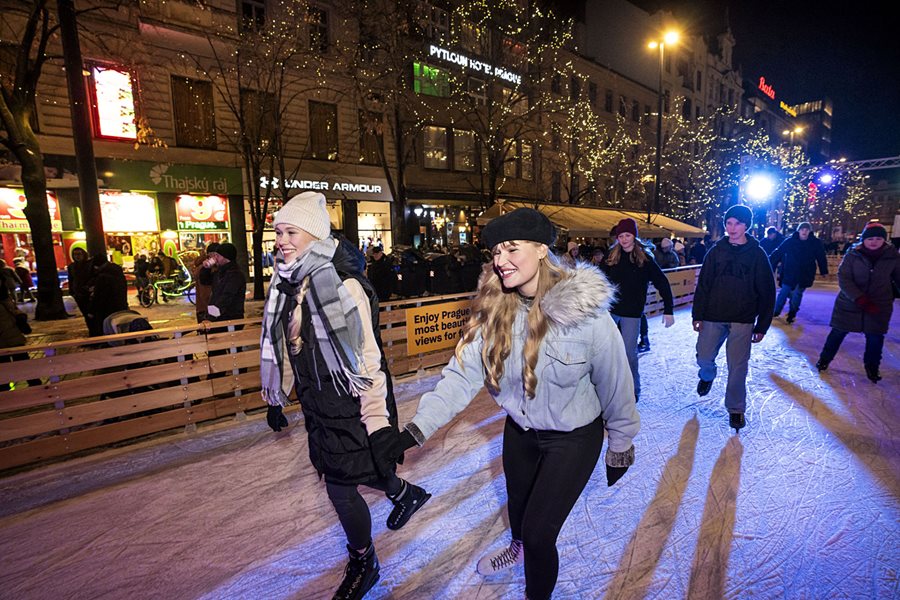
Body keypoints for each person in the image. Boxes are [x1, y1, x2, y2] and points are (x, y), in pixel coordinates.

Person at [397, 207, 639, 600]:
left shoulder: (585, 313)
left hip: (573, 438)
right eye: (496, 252)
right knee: (521, 511)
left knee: (541, 533)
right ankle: (518, 546)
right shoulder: (497, 310)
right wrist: (415, 429)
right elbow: (460, 376)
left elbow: (616, 382)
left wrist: (621, 445)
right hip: (521, 432)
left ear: (543, 249)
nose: (500, 260)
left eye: (512, 249)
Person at [259, 191, 430, 600]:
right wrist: (277, 396)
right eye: (278, 231)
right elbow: (284, 346)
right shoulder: (286, 283)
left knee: (340, 483)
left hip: (350, 402)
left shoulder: (344, 286)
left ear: (314, 236)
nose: (281, 240)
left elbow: (368, 361)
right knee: (353, 466)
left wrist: (377, 422)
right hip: (318, 401)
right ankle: (405, 493)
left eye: (291, 231)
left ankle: (363, 560)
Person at [692, 205, 775, 431]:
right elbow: (704, 285)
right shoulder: (716, 252)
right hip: (713, 314)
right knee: (704, 355)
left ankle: (736, 408)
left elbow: (768, 291)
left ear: (746, 225)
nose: (732, 228)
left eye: (737, 223)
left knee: (738, 367)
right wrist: (697, 314)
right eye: (729, 223)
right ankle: (707, 375)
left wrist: (763, 325)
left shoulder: (757, 254)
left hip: (743, 318)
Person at [600, 218, 675, 400]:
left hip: (632, 313)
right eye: (621, 236)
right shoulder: (611, 257)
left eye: (628, 235)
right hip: (610, 311)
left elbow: (662, 282)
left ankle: (633, 388)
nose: (624, 239)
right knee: (605, 351)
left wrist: (668, 309)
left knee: (628, 353)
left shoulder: (645, 259)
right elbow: (598, 279)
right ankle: (607, 388)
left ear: (634, 236)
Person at [816, 222, 899, 383]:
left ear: (884, 240)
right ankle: (824, 360)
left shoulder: (892, 257)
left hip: (878, 305)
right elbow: (844, 277)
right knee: (837, 333)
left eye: (878, 238)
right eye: (870, 238)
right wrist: (859, 298)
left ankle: (872, 368)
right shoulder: (853, 254)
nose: (874, 241)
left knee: (875, 338)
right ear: (864, 240)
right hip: (849, 304)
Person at [769, 222, 828, 324]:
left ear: (810, 231)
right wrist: (768, 261)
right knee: (783, 292)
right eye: (802, 229)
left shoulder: (815, 243)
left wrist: (824, 271)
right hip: (790, 272)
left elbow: (821, 257)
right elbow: (779, 252)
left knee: (797, 294)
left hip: (805, 274)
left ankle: (792, 313)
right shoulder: (790, 241)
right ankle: (776, 311)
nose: (804, 231)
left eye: (806, 230)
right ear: (798, 230)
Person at [0, 282, 42, 390]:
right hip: (12, 337)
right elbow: (15, 312)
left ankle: (8, 389)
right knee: (21, 363)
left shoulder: (5, 299)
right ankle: (34, 384)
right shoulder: (5, 298)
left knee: (8, 366)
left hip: (10, 337)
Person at [201, 242, 245, 324]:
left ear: (226, 258)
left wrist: (210, 318)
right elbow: (204, 281)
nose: (215, 258)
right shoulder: (219, 272)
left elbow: (226, 298)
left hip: (229, 319)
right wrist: (206, 268)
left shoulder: (235, 275)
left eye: (218, 255)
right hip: (217, 317)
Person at [85, 253, 129, 337]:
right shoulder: (117, 271)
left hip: (107, 308)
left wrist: (92, 310)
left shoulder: (103, 276)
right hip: (120, 304)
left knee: (108, 328)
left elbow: (99, 295)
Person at [192, 242, 218, 323]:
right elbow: (206, 292)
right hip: (208, 308)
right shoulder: (205, 268)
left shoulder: (204, 267)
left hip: (204, 308)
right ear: (211, 254)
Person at [67, 247, 93, 320]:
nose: (77, 256)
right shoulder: (72, 267)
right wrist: (72, 292)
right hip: (78, 293)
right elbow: (71, 279)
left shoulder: (89, 265)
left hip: (87, 292)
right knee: (84, 312)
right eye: (75, 254)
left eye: (79, 254)